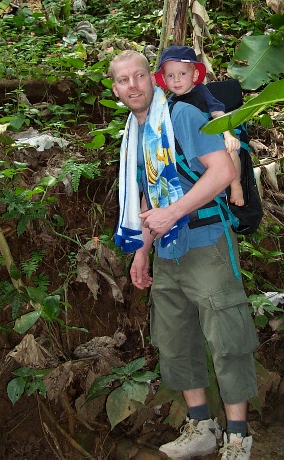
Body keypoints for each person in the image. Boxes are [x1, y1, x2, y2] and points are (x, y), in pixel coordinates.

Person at [109, 48, 258, 460]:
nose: (133, 86)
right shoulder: (135, 133)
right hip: (167, 250)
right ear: (116, 88)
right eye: (123, 80)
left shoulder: (182, 117)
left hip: (205, 240)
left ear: (152, 78)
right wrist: (141, 254)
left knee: (226, 336)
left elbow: (223, 172)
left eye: (139, 76)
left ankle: (238, 436)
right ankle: (201, 426)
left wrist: (173, 212)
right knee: (176, 339)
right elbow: (146, 195)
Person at [155, 45, 244, 206]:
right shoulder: (168, 103)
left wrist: (228, 135)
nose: (176, 79)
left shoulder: (202, 92)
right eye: (170, 75)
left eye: (182, 74)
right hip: (191, 146)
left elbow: (218, 113)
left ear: (195, 74)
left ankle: (236, 185)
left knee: (230, 153)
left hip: (214, 136)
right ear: (164, 79)